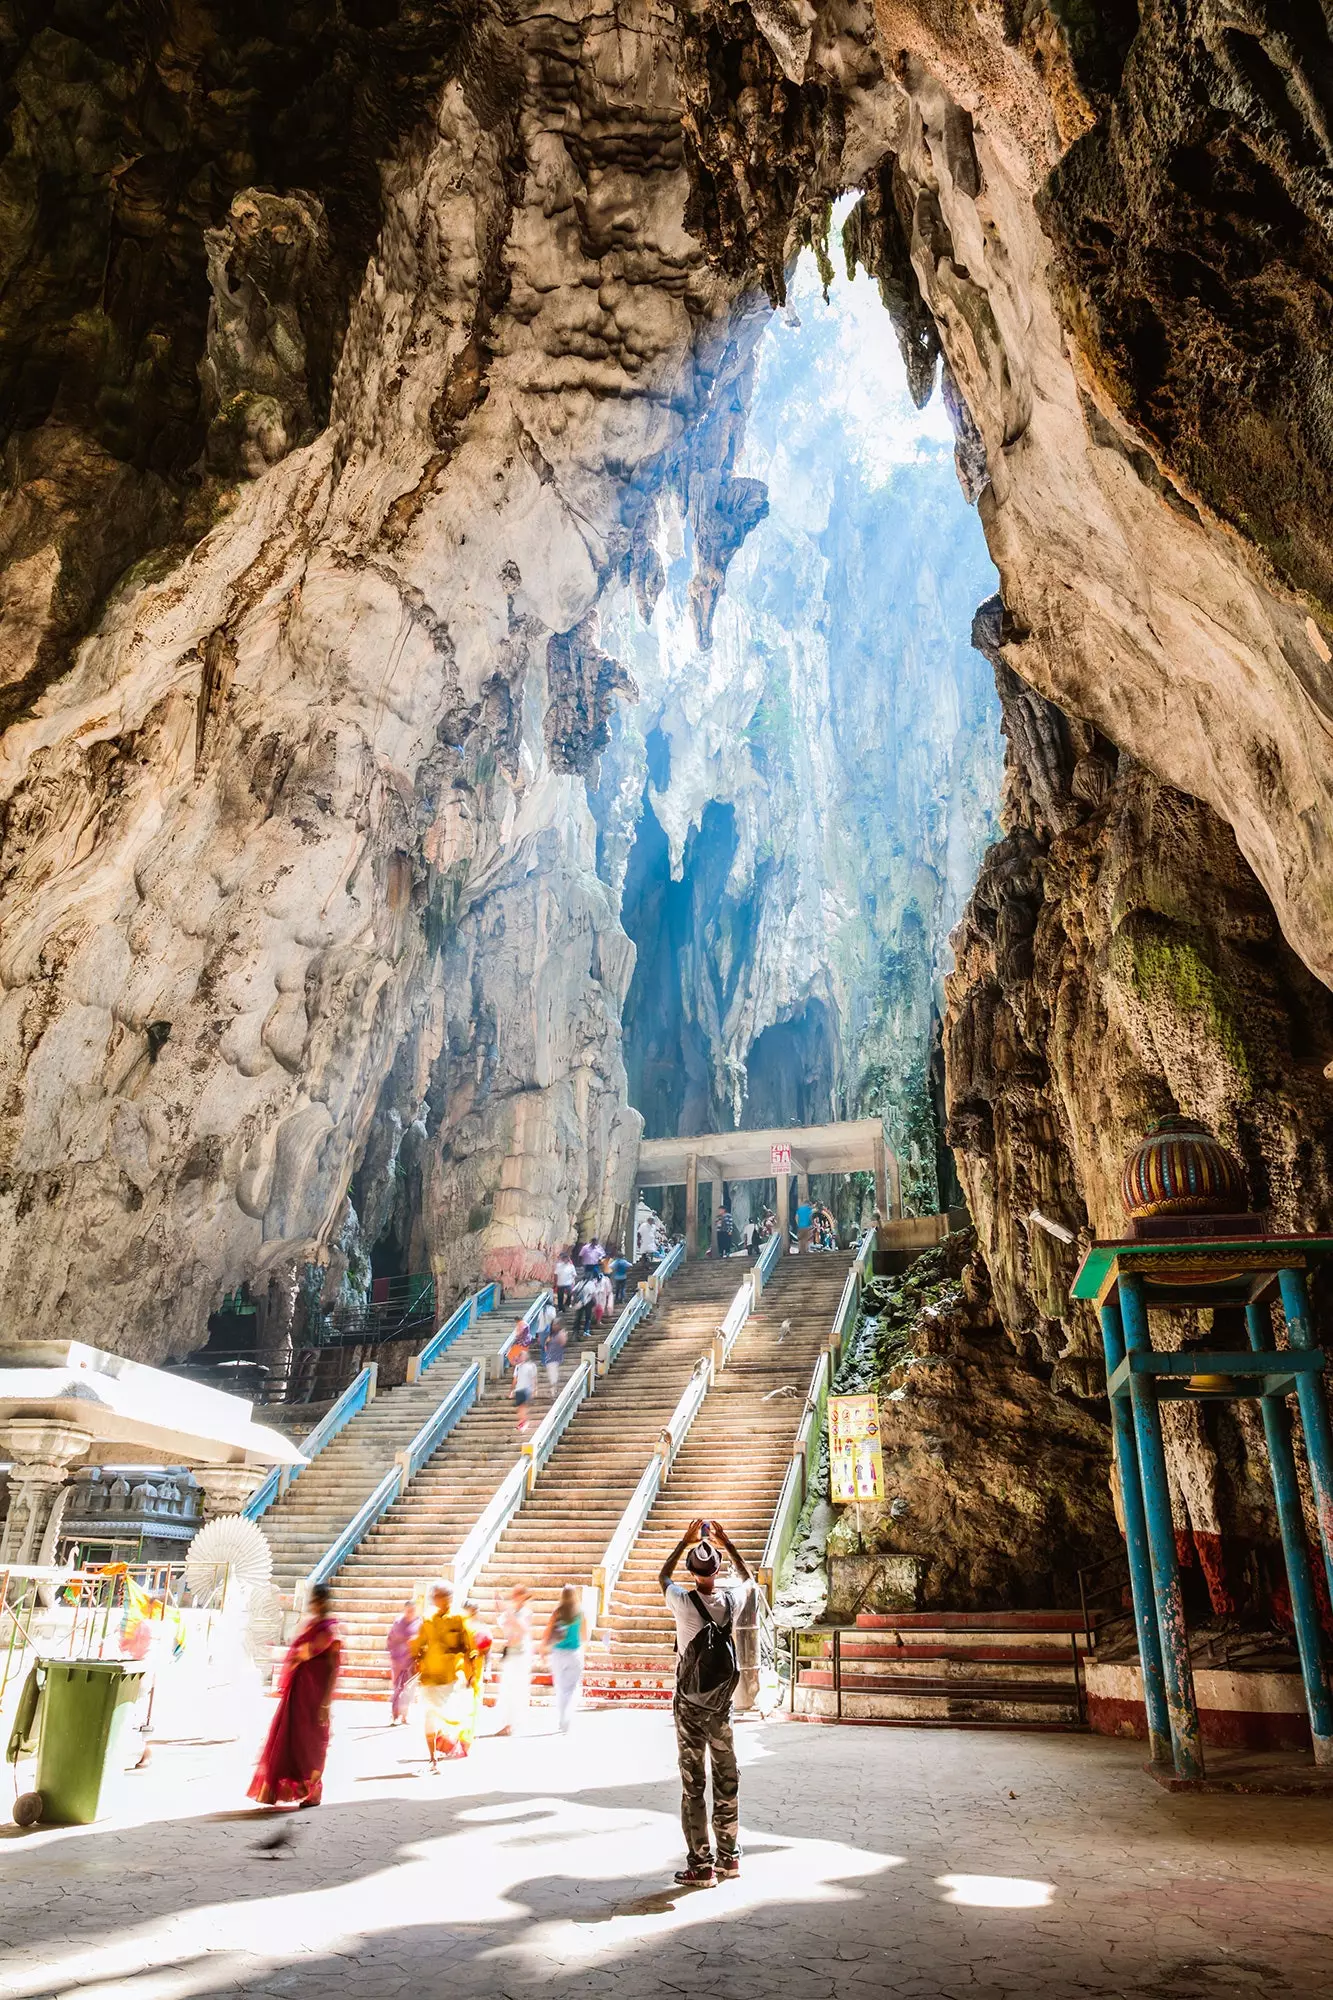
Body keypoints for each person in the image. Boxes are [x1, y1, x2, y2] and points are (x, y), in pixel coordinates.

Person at [659, 1518, 753, 1885]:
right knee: (726, 1779)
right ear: (716, 1570)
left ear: (693, 1572)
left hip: (688, 1706)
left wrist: (684, 1542)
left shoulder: (683, 1603)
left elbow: (663, 1577)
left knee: (693, 1784)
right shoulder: (730, 1602)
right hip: (720, 1708)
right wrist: (727, 1542)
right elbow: (748, 1579)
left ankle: (701, 1864)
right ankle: (729, 1858)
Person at [248, 1582, 341, 1807]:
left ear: (324, 1603)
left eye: (318, 1601)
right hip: (299, 1694)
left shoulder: (328, 1630)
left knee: (312, 1745)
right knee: (293, 1741)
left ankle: (313, 1791)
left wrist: (326, 1703)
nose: (315, 1605)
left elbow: (317, 1660)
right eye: (314, 1601)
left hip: (316, 1697)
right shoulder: (312, 1626)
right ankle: (297, 1788)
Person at [412, 1582, 489, 1766]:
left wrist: (472, 1671)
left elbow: (471, 1647)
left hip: (450, 1678)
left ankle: (453, 1743)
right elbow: (419, 1643)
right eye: (436, 1596)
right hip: (429, 1677)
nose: (437, 1599)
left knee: (451, 1716)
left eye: (442, 1596)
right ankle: (432, 1758)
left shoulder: (459, 1619)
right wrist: (415, 1657)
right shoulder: (427, 1618)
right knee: (429, 1715)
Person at [544, 1586, 586, 1733]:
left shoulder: (557, 1612)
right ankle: (567, 1716)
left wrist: (543, 1650)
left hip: (557, 1654)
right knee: (572, 1688)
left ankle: (562, 1719)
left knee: (561, 1688)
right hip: (574, 1653)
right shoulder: (580, 1612)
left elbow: (548, 1632)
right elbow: (584, 1636)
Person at [494, 1585, 532, 1736]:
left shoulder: (526, 1612)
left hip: (519, 1655)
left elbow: (522, 1630)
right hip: (511, 1653)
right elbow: (503, 1622)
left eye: (517, 1594)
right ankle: (509, 1723)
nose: (513, 1596)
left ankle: (512, 1724)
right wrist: (499, 1607)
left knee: (514, 1690)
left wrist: (508, 1612)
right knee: (506, 1690)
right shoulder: (513, 1612)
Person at [385, 1599, 419, 1725]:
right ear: (405, 1610)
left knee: (409, 1689)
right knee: (398, 1688)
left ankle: (405, 1715)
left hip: (412, 1661)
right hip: (398, 1661)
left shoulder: (419, 1623)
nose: (410, 1613)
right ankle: (395, 1715)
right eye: (408, 1610)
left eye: (412, 1610)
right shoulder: (398, 1622)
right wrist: (393, 1654)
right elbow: (390, 1639)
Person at [513, 1346, 538, 1434]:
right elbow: (515, 1379)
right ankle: (522, 1421)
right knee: (520, 1407)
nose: (522, 1358)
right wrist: (512, 1390)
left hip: (527, 1388)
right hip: (518, 1389)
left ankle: (524, 1422)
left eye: (524, 1356)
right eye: (521, 1356)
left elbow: (533, 1378)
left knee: (523, 1405)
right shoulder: (518, 1367)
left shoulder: (531, 1366)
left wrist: (534, 1389)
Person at [541, 1311, 566, 1399]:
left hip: (556, 1357)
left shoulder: (561, 1333)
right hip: (549, 1358)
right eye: (553, 1324)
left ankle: (553, 1390)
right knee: (552, 1374)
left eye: (556, 1324)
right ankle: (553, 1390)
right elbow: (545, 1345)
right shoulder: (550, 1335)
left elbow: (563, 1343)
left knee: (554, 1375)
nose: (554, 1326)